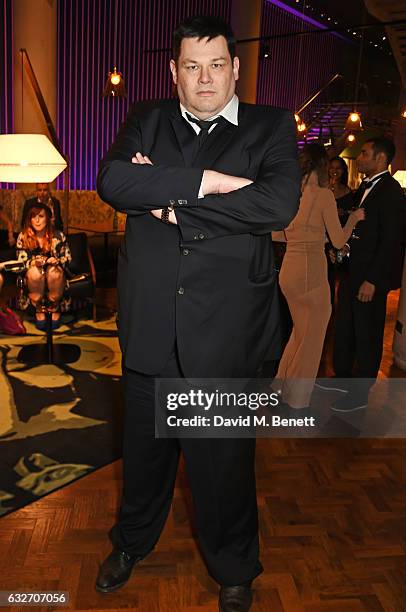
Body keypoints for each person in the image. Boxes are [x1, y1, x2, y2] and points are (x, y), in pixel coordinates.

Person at [96, 15, 301, 612]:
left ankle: (234, 569)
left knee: (224, 468)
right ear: (174, 72)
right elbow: (112, 181)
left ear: (236, 69)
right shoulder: (147, 119)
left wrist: (170, 202)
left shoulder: (270, 126)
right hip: (152, 325)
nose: (204, 78)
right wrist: (208, 182)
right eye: (191, 66)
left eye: (216, 66)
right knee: (144, 459)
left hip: (228, 333)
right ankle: (131, 543)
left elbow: (277, 202)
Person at [271, 144, 364, 410]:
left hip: (289, 270)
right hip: (311, 274)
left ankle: (279, 387)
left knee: (299, 333)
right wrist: (355, 219)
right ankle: (297, 401)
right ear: (323, 167)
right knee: (312, 338)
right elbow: (338, 241)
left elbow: (276, 234)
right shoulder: (323, 196)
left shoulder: (291, 195)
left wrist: (310, 237)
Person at [323, 137, 406, 411]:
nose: (360, 158)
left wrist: (374, 280)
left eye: (365, 154)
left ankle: (359, 395)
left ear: (381, 159)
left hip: (370, 277)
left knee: (367, 333)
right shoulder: (364, 188)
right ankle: (343, 376)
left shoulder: (392, 192)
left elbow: (392, 242)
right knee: (346, 327)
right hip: (351, 271)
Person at [16, 203, 71, 330]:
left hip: (55, 275)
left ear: (48, 218)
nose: (37, 220)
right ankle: (39, 309)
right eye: (33, 216)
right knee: (34, 272)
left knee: (53, 271)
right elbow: (21, 263)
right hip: (33, 277)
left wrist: (56, 260)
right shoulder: (23, 236)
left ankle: (54, 307)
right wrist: (33, 262)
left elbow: (67, 258)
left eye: (41, 216)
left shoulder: (58, 235)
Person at [326, 156, 356, 306]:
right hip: (324, 239)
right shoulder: (323, 189)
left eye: (338, 168)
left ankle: (333, 309)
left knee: (337, 274)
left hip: (340, 238)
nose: (334, 171)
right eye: (332, 167)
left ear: (343, 171)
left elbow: (352, 214)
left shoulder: (347, 192)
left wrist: (342, 213)